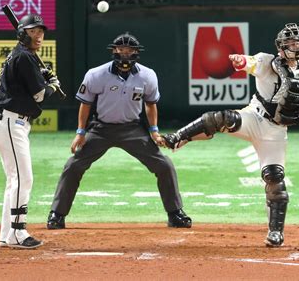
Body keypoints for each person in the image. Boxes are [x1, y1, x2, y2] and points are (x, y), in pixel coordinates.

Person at [162, 23, 299, 247]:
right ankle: (177, 138)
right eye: (290, 42)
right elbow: (248, 62)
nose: (294, 45)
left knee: (275, 179)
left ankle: (275, 233)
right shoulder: (267, 62)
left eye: (297, 42)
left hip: (275, 131)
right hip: (254, 118)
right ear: (281, 46)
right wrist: (240, 61)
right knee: (220, 118)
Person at [47, 32, 192, 229]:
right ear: (113, 51)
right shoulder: (95, 74)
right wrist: (80, 133)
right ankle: (57, 214)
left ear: (136, 52)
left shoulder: (147, 75)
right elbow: (85, 105)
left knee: (164, 165)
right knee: (73, 166)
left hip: (132, 129)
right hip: (100, 129)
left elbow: (150, 104)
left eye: (129, 50)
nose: (125, 54)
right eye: (121, 50)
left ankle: (175, 214)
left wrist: (154, 131)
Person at [0, 13, 62, 249]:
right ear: (22, 33)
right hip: (11, 122)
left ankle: (7, 234)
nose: (39, 35)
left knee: (14, 180)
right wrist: (52, 85)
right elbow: (39, 95)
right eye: (33, 31)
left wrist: (43, 77)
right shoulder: (25, 56)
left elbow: (28, 84)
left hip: (8, 123)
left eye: (41, 31)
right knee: (23, 178)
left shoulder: (20, 55)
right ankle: (18, 233)